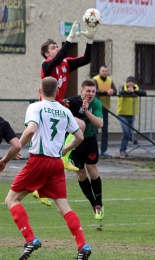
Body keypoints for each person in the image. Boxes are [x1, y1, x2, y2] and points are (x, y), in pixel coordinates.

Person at [4, 77, 92, 260]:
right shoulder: (65, 111)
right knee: (63, 207)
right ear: (57, 92)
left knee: (11, 200)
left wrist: (18, 145)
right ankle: (82, 245)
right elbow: (80, 136)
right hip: (55, 164)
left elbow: (31, 129)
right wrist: (65, 149)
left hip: (38, 161)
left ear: (40, 91)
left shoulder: (35, 107)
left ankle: (30, 239)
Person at [33, 21, 98, 206]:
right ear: (47, 53)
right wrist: (69, 39)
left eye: (58, 46)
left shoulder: (66, 63)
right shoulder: (47, 64)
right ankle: (58, 162)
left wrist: (90, 40)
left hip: (59, 108)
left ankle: (63, 156)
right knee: (47, 154)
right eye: (54, 47)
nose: (58, 49)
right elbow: (58, 57)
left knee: (80, 127)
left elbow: (86, 59)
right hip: (47, 109)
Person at [66, 79, 105, 222]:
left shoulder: (96, 103)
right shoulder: (72, 102)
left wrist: (87, 111)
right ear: (81, 91)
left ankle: (99, 204)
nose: (90, 94)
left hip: (89, 140)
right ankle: (93, 204)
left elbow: (100, 124)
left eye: (93, 91)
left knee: (92, 170)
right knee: (81, 174)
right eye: (88, 91)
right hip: (74, 142)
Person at [117, 76, 146, 157]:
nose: (130, 83)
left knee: (125, 133)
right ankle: (133, 139)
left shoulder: (136, 88)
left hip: (131, 113)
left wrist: (134, 91)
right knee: (126, 131)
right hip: (122, 113)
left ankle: (122, 150)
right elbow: (121, 93)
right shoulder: (122, 87)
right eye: (129, 82)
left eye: (132, 82)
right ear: (126, 82)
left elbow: (144, 93)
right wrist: (132, 93)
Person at [93, 65, 117, 158]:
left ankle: (103, 151)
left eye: (106, 71)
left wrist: (112, 91)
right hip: (96, 108)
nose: (104, 72)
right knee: (94, 130)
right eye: (103, 71)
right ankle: (94, 150)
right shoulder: (95, 79)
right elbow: (95, 90)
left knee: (105, 130)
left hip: (105, 108)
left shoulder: (110, 80)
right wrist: (106, 92)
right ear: (100, 71)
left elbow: (115, 90)